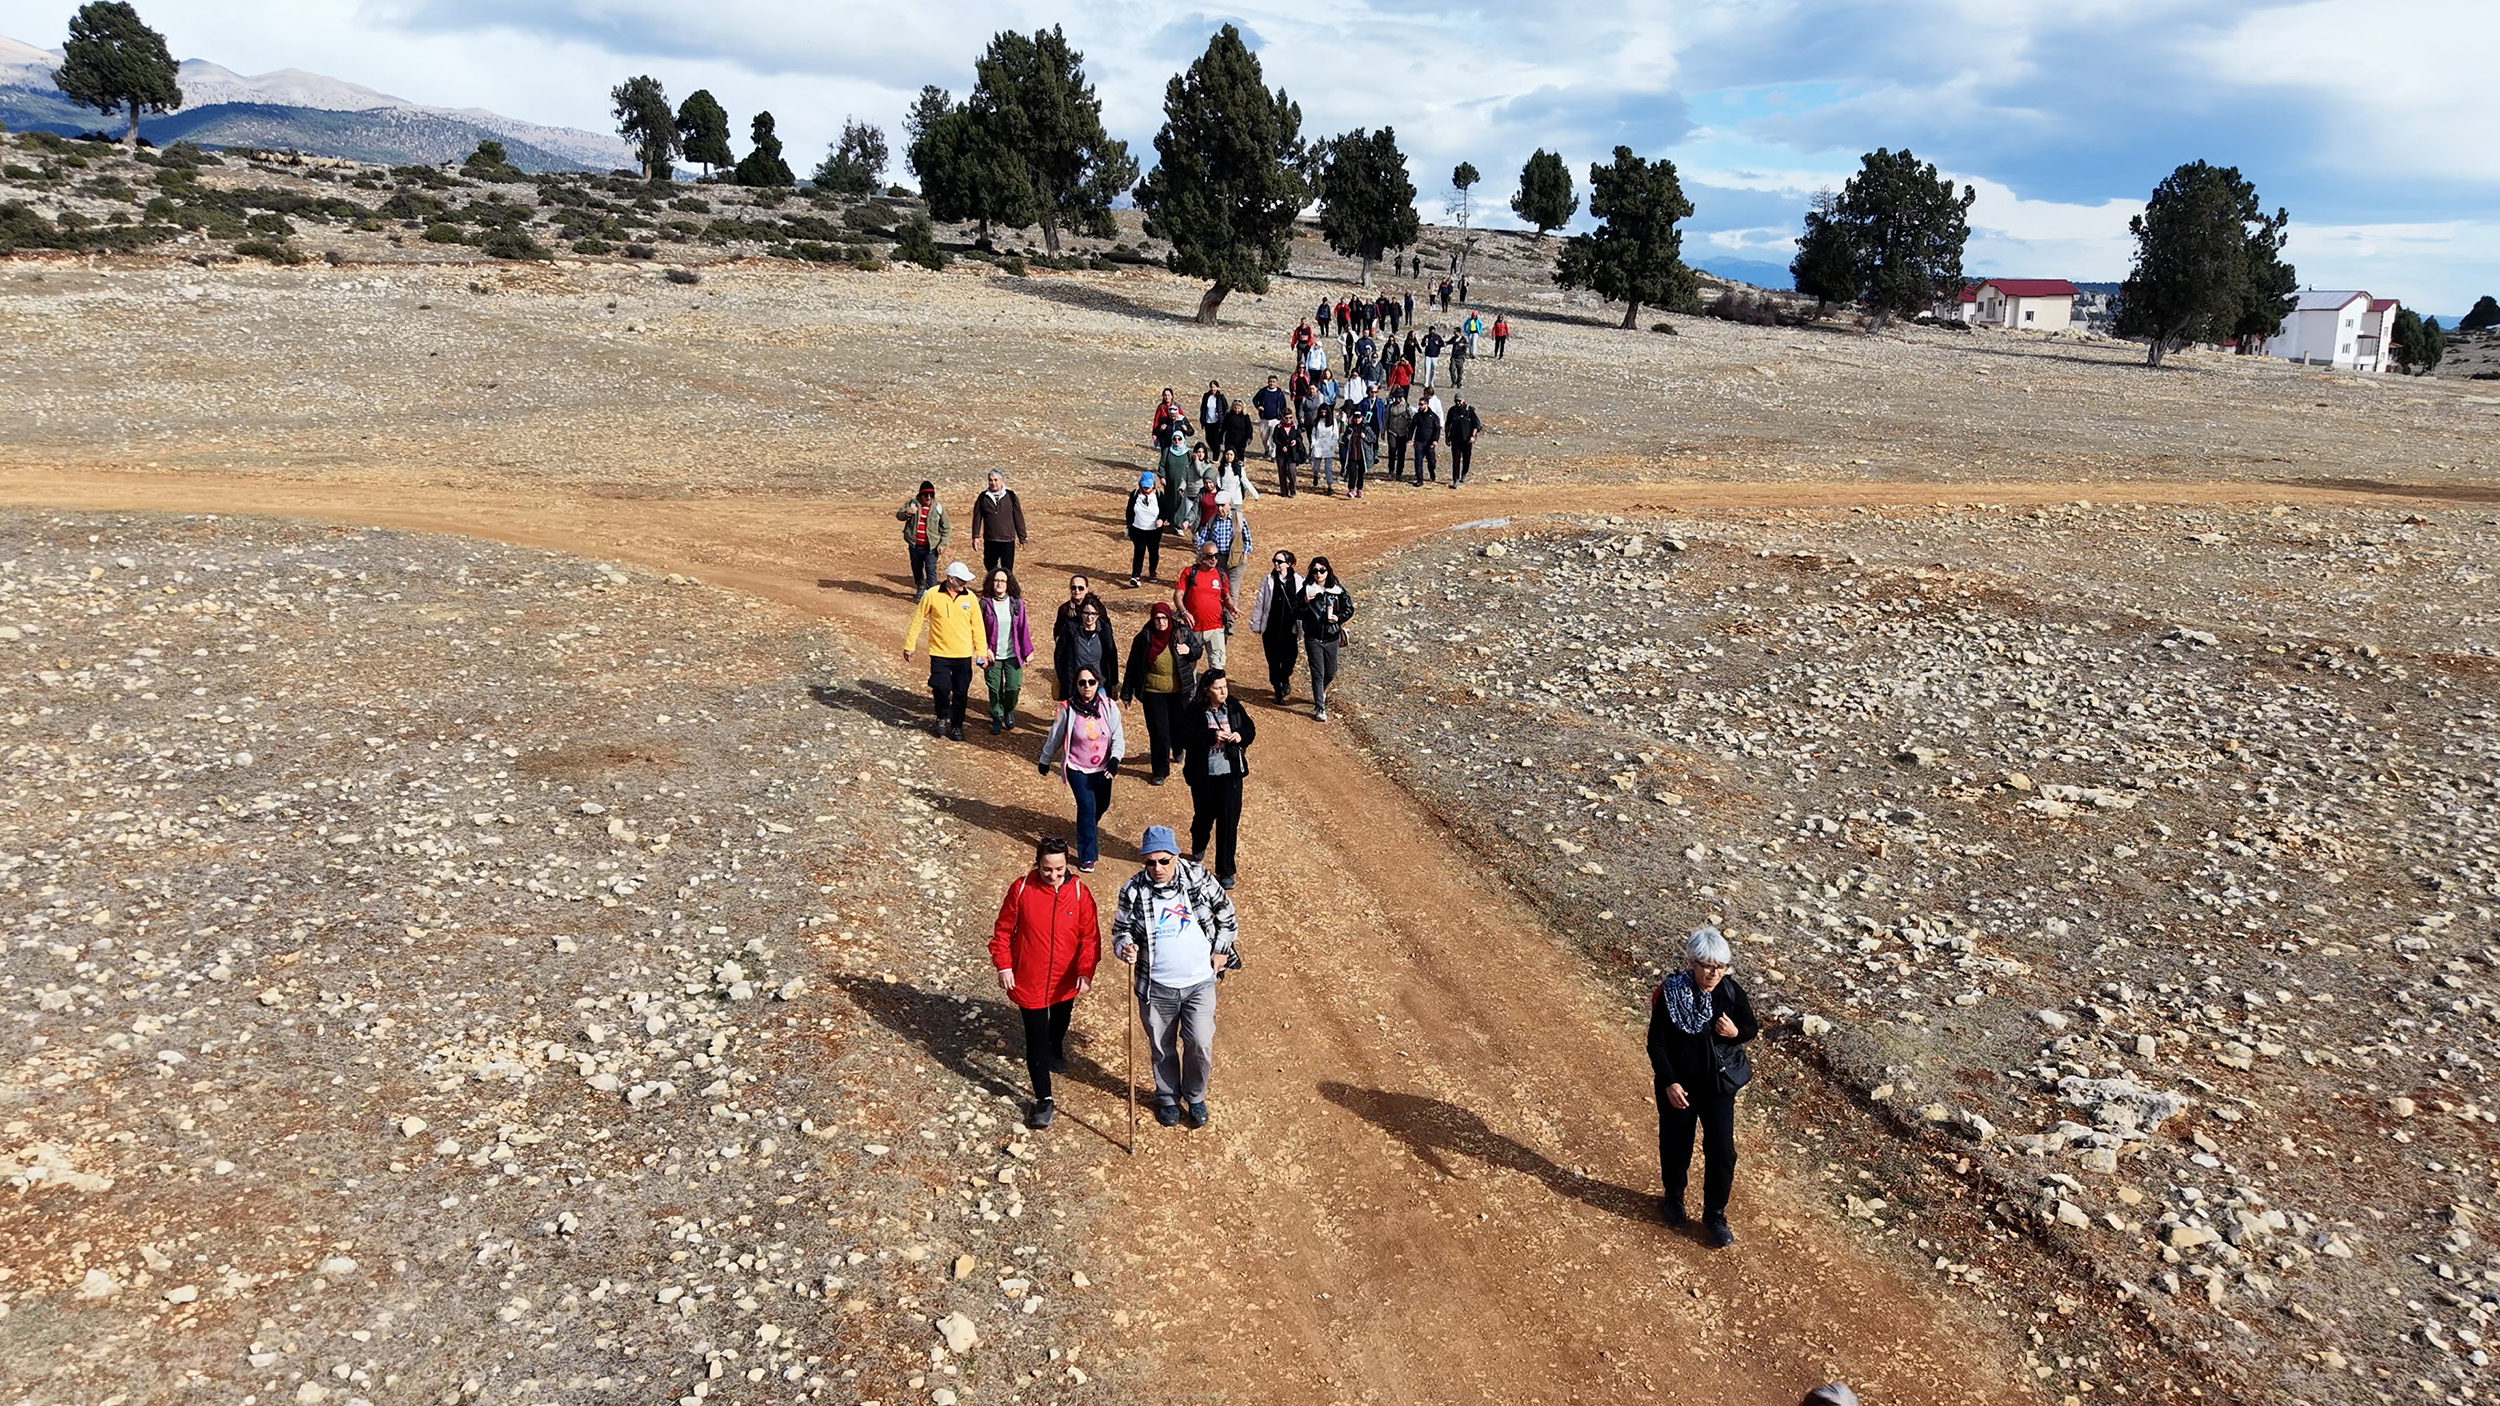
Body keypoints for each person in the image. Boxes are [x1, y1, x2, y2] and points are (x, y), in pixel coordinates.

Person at [1112, 825, 1238, 1128]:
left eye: (1164, 861)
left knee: (1200, 1042)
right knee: (1161, 1045)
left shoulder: (1198, 876)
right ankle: (1167, 1096)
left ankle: (1195, 1096)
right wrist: (1124, 946)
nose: (1157, 868)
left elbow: (1226, 913)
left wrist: (1221, 951)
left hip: (1199, 983)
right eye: (1150, 862)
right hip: (1156, 986)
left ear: (1175, 855)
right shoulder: (1133, 890)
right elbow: (1120, 931)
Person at [1647, 924, 1759, 1248]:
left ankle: (1715, 1215)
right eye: (1707, 966)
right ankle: (1674, 1198)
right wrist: (1669, 1082)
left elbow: (1751, 1028)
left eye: (1719, 967)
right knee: (1675, 1144)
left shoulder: (1730, 992)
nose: (1713, 973)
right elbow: (1657, 1043)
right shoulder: (1670, 993)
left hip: (1716, 1087)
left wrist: (1735, 1032)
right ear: (1692, 963)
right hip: (1679, 1086)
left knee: (1722, 1152)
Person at [989, 837, 1100, 1128]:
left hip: (1065, 980)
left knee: (1061, 1020)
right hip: (1029, 980)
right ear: (1037, 864)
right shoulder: (1022, 889)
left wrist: (1085, 971)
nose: (1052, 876)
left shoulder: (1079, 893)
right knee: (1034, 1039)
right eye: (1046, 869)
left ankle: (1056, 1045)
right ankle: (1044, 1099)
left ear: (1067, 866)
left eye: (1059, 870)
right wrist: (1004, 965)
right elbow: (1002, 931)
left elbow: (1089, 938)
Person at [1038, 666, 1124, 872]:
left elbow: (1117, 736)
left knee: (1100, 806)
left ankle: (1086, 828)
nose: (1087, 687)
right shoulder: (1068, 708)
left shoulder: (1109, 707)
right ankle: (1087, 855)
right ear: (1076, 685)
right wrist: (1045, 759)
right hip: (1077, 768)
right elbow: (1056, 736)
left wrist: (1115, 759)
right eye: (1082, 683)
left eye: (1091, 682)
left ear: (1097, 683)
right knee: (1086, 807)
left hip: (1103, 769)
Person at [1180, 670, 1255, 888]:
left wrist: (1240, 735)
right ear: (1206, 690)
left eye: (1224, 686)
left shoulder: (1233, 706)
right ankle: (1199, 843)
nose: (1223, 691)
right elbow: (1186, 738)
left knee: (1229, 822)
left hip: (1230, 774)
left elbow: (1249, 729)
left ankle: (1226, 871)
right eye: (1218, 688)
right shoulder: (1194, 711)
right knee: (1204, 817)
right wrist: (1210, 737)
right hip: (1204, 776)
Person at [902, 560, 987, 740]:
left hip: (963, 655)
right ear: (950, 579)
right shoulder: (932, 594)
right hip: (939, 653)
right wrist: (910, 645)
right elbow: (918, 619)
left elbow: (978, 626)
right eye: (961, 580)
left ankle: (957, 726)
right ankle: (941, 716)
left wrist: (981, 651)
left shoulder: (970, 598)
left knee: (960, 692)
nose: (965, 584)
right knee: (940, 687)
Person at [1119, 602, 1198, 786]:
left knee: (1179, 727)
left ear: (1169, 617)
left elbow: (1197, 650)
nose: (1161, 622)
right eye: (1157, 619)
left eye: (1164, 618)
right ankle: (1160, 770)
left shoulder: (1181, 632)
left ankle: (1178, 747)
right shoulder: (1144, 638)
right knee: (1159, 733)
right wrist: (1127, 693)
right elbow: (1133, 666)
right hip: (1153, 692)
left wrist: (1188, 651)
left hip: (1179, 691)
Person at [978, 566, 1034, 733]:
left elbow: (1023, 628)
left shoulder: (1017, 604)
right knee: (994, 688)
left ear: (1008, 583)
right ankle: (997, 715)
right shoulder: (984, 604)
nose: (999, 584)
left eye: (1003, 580)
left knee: (1013, 687)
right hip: (992, 655)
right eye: (996, 580)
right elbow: (978, 630)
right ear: (991, 583)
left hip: (1012, 654)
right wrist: (984, 650)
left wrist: (1028, 650)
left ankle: (1008, 709)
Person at [1298, 555, 1354, 721]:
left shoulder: (1337, 590)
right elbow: (1295, 612)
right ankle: (1319, 707)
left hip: (1331, 637)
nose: (1318, 574)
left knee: (1331, 672)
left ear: (1328, 571)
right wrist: (1304, 603)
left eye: (1322, 570)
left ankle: (1320, 692)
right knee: (1318, 673)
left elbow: (1349, 608)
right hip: (1313, 638)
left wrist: (1339, 618)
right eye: (1315, 571)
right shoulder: (1306, 590)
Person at [1247, 550, 1305, 703]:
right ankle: (1277, 690)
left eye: (1280, 561)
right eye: (1275, 561)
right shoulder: (1268, 580)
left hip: (1290, 629)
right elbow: (1260, 603)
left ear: (1289, 564)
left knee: (1290, 659)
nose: (1276, 564)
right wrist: (1256, 623)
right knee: (1273, 661)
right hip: (1271, 628)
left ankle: (1285, 678)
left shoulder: (1299, 581)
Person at [1174, 541, 1233, 669]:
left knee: (1218, 667)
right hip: (1193, 629)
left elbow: (1226, 596)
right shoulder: (1189, 572)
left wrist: (1231, 606)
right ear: (1201, 556)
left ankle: (1215, 688)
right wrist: (1184, 612)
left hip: (1215, 628)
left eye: (1216, 556)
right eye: (1210, 556)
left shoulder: (1221, 574)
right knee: (1189, 667)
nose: (1214, 559)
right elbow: (1178, 595)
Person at [1053, 591, 1118, 701]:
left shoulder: (1104, 631)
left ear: (1098, 614)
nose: (1089, 617)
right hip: (1075, 686)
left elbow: (1112, 657)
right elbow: (1059, 655)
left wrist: (1114, 683)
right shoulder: (1071, 629)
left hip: (1099, 685)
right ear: (1081, 613)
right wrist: (1064, 679)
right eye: (1086, 613)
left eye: (1093, 614)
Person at [895, 480, 950, 598]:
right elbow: (899, 516)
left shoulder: (938, 508)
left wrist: (943, 543)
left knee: (930, 569)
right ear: (921, 495)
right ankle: (920, 586)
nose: (929, 497)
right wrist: (908, 513)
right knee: (916, 567)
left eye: (931, 495)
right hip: (915, 545)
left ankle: (931, 594)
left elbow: (946, 527)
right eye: (926, 495)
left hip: (931, 546)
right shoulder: (912, 504)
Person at [969, 470, 1030, 575]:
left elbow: (1018, 517)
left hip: (1007, 540)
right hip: (990, 539)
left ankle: (1007, 589)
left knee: (1007, 568)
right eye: (990, 480)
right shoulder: (983, 497)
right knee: (989, 565)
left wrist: (1022, 537)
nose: (993, 483)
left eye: (996, 480)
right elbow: (977, 517)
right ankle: (993, 587)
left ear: (1001, 481)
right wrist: (975, 536)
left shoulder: (1011, 496)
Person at [1197, 500, 1252, 589]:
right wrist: (1201, 552)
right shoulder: (1213, 520)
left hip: (1235, 559)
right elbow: (1202, 538)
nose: (1219, 508)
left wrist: (1245, 554)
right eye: (1217, 506)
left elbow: (1247, 539)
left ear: (1229, 505)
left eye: (1222, 505)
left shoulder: (1238, 519)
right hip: (1217, 560)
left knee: (1232, 590)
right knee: (1217, 587)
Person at [1125, 473, 1164, 586]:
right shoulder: (1135, 494)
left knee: (1153, 552)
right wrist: (1129, 525)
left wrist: (1161, 519)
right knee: (1139, 551)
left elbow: (1166, 511)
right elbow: (1129, 511)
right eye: (1144, 486)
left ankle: (1152, 572)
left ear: (1153, 485)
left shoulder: (1159, 496)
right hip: (1138, 529)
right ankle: (1135, 575)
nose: (1146, 489)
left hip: (1154, 531)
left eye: (1149, 486)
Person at [1446, 396, 1482, 487]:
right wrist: (1447, 437)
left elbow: (1477, 424)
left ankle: (1464, 473)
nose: (1458, 403)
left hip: (1467, 439)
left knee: (1466, 457)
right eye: (1456, 401)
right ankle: (1455, 479)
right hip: (1455, 439)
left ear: (1463, 400)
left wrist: (1473, 436)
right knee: (1456, 459)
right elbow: (1447, 424)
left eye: (1459, 401)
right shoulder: (1452, 411)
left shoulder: (1469, 410)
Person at [1251, 374, 1288, 461]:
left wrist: (1283, 416)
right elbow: (1255, 399)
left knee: (1273, 438)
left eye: (1273, 382)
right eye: (1270, 381)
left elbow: (1283, 405)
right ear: (1267, 382)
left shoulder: (1279, 393)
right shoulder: (1263, 392)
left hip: (1275, 419)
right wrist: (1258, 406)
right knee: (1263, 436)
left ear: (1276, 383)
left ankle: (1273, 455)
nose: (1271, 383)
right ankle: (1267, 449)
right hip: (1264, 418)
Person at [1308, 407, 1339, 497]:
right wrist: (1313, 443)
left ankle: (1329, 485)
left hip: (1328, 447)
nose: (1323, 414)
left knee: (1328, 468)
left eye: (1325, 412)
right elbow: (1313, 434)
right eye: (1322, 412)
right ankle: (1315, 475)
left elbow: (1335, 435)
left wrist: (1332, 444)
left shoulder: (1333, 422)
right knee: (1315, 466)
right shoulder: (1317, 421)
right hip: (1318, 445)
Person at [1386, 392, 1415, 483]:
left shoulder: (1407, 407)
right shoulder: (1390, 407)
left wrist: (1407, 419)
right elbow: (1386, 417)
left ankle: (1399, 472)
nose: (1398, 399)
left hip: (1403, 433)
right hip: (1392, 431)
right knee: (1392, 450)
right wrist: (1383, 430)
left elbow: (1413, 418)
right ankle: (1391, 470)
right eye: (1396, 397)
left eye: (1399, 397)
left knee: (1401, 453)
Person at [1412, 398, 1442, 485]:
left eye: (1421, 404)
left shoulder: (1433, 416)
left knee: (1431, 461)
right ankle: (1419, 479)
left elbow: (1437, 429)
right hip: (1419, 441)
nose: (1420, 406)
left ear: (1426, 405)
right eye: (1419, 404)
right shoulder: (1417, 416)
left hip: (1429, 442)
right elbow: (1412, 428)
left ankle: (1432, 472)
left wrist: (1435, 440)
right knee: (1418, 460)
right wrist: (1410, 439)